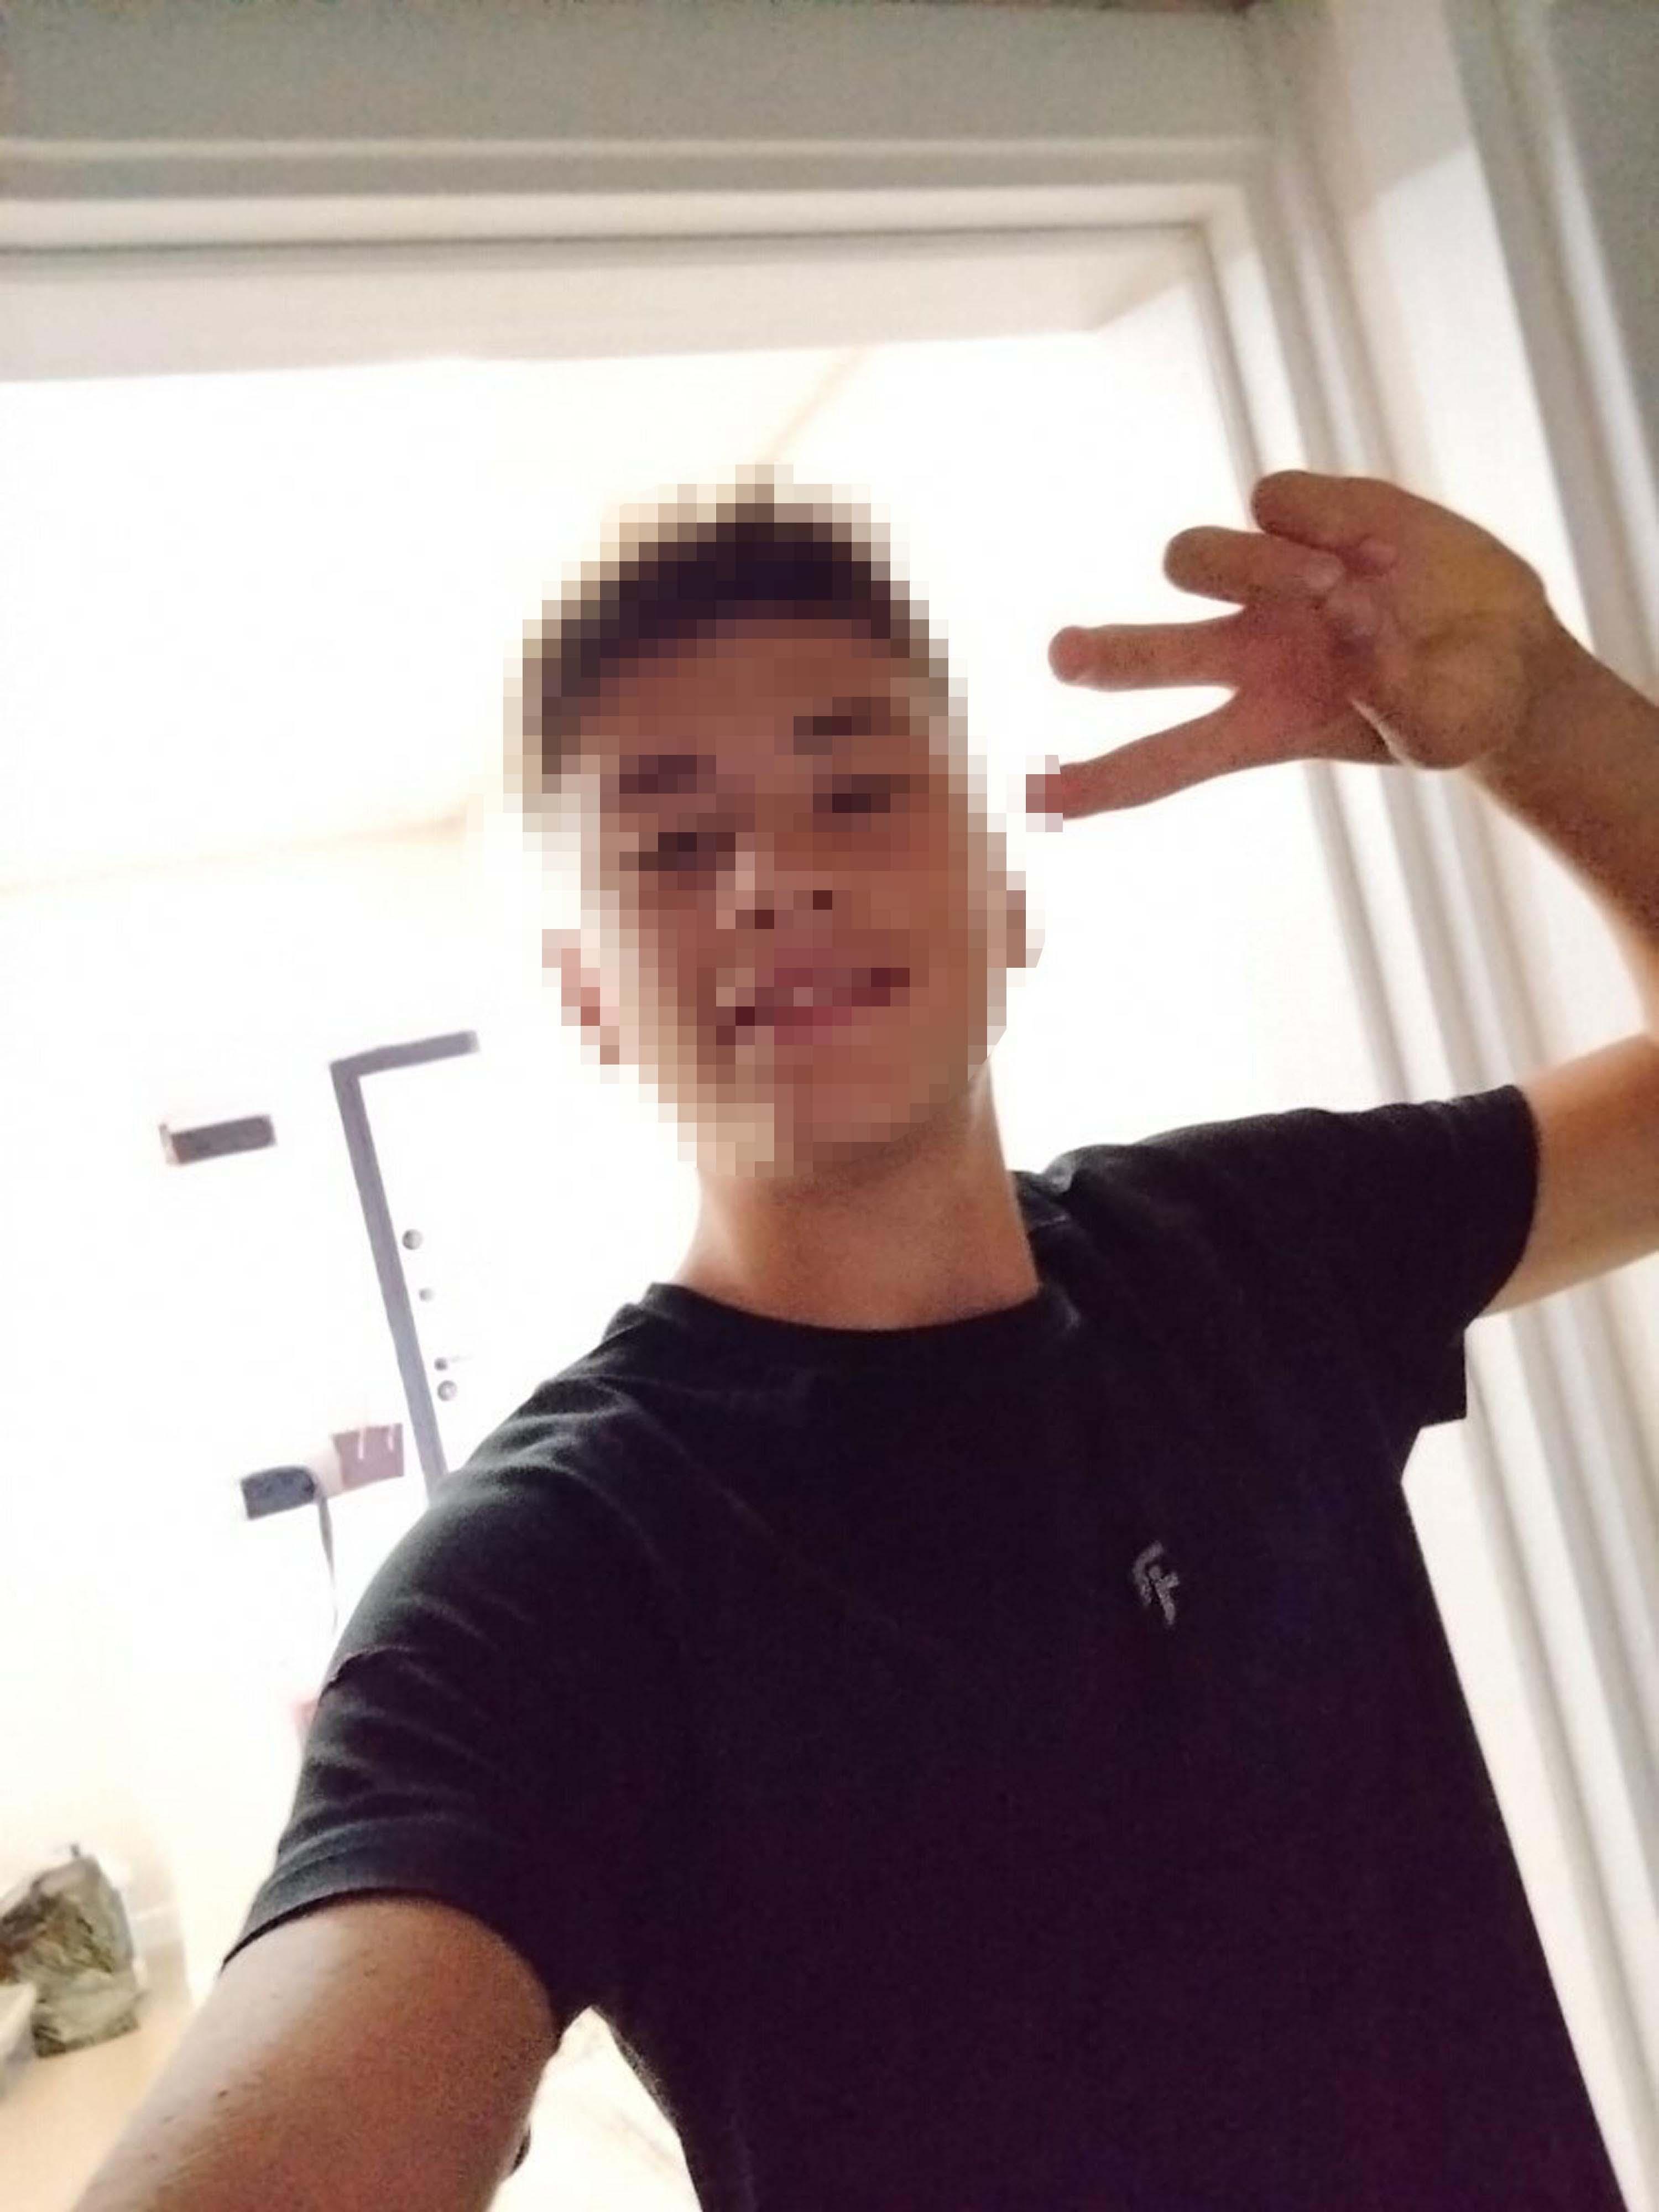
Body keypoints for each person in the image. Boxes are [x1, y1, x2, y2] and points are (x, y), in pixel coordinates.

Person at [75, 467, 1657, 2212]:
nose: (777, 878)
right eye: (677, 845)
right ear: (590, 996)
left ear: (1003, 896)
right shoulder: (553, 1582)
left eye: (854, 790)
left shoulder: (1246, 1253)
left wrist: (1549, 712)